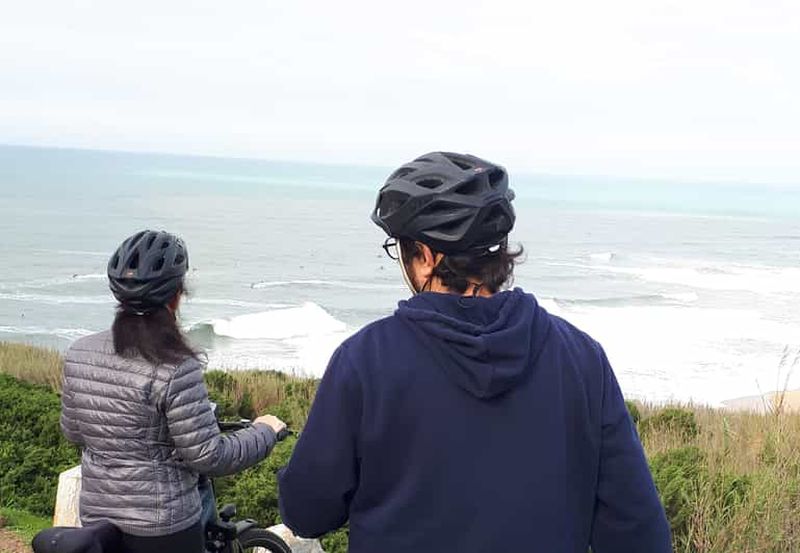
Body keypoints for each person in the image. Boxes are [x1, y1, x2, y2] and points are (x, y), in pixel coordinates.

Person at [278, 152, 671, 552]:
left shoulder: (365, 361)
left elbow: (307, 512)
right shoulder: (582, 358)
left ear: (426, 257)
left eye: (401, 249)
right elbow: (639, 532)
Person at [60, 230, 286, 552]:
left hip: (100, 518)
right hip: (161, 526)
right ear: (177, 295)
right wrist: (265, 431)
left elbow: (74, 432)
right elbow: (210, 456)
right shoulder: (176, 366)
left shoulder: (79, 352)